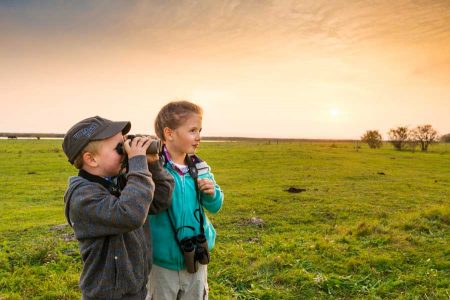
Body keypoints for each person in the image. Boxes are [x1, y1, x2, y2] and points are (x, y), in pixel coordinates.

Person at [62, 116, 174, 300]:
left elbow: (161, 200)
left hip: (136, 289)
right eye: (119, 148)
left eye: (125, 143)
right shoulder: (82, 198)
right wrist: (137, 164)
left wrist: (152, 164)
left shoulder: (120, 182)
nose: (126, 152)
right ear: (91, 159)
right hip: (106, 295)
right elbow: (131, 214)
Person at [146, 101, 224, 299]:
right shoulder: (153, 170)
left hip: (197, 259)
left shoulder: (201, 167)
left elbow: (215, 207)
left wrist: (212, 194)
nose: (198, 137)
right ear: (169, 133)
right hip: (161, 263)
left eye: (200, 130)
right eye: (192, 131)